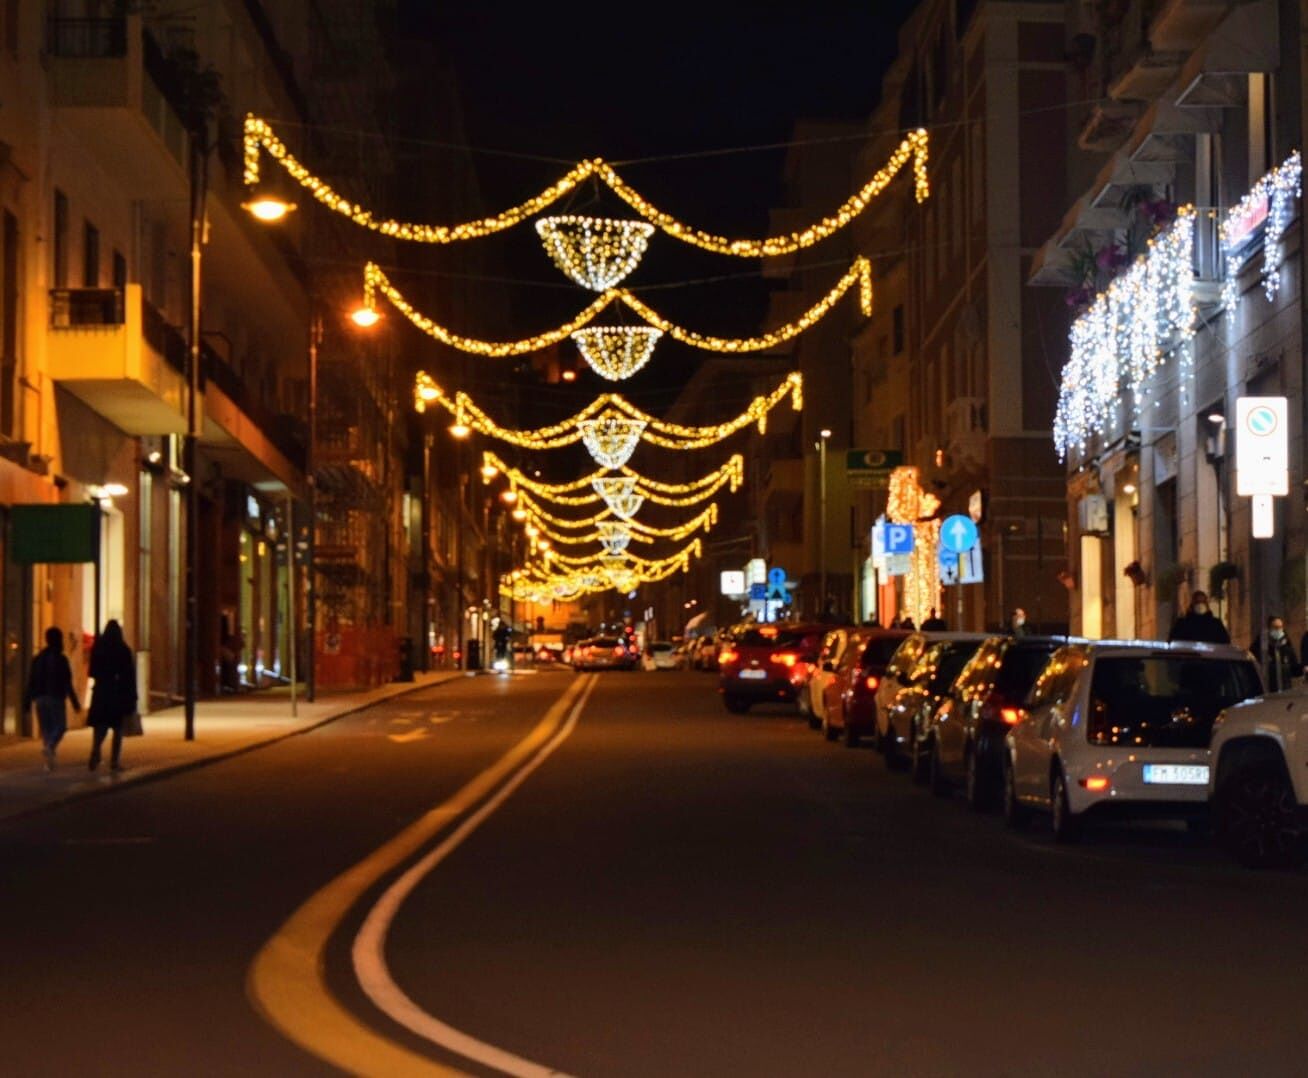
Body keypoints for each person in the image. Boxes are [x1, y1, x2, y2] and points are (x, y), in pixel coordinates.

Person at [23, 627, 80, 771]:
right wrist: (75, 702)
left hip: (40, 698)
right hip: (55, 697)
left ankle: (49, 762)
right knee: (60, 726)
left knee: (46, 730)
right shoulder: (61, 659)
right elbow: (67, 682)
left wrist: (27, 701)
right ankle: (50, 748)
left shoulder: (38, 659)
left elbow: (31, 681)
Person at [87, 620, 137, 773]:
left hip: (101, 692)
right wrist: (132, 697)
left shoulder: (98, 649)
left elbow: (92, 672)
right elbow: (129, 676)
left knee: (100, 726)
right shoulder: (123, 650)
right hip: (117, 694)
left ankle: (96, 749)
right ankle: (114, 762)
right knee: (117, 729)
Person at [1251, 615, 1299, 693]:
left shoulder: (1287, 648)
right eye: (1276, 627)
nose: (1279, 630)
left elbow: (1295, 670)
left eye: (1280, 627)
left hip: (1285, 692)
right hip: (1267, 692)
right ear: (1269, 629)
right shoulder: (1259, 648)